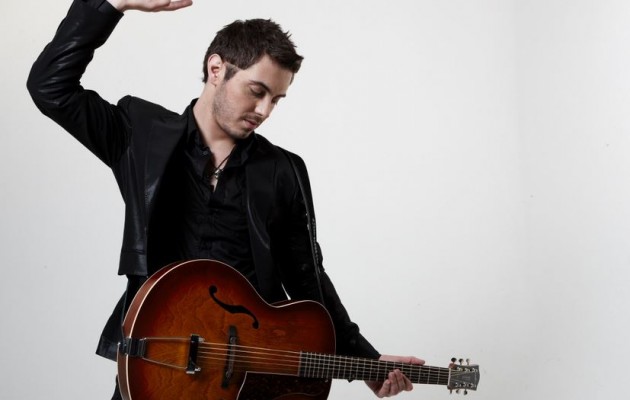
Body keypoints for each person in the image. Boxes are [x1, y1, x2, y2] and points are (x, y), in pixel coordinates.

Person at [27, 0, 424, 398]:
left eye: (276, 100)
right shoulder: (141, 135)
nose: (264, 110)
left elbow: (308, 279)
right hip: (155, 370)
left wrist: (366, 360)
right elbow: (49, 87)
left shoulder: (282, 170)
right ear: (216, 69)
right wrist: (112, 4)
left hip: (244, 382)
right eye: (257, 91)